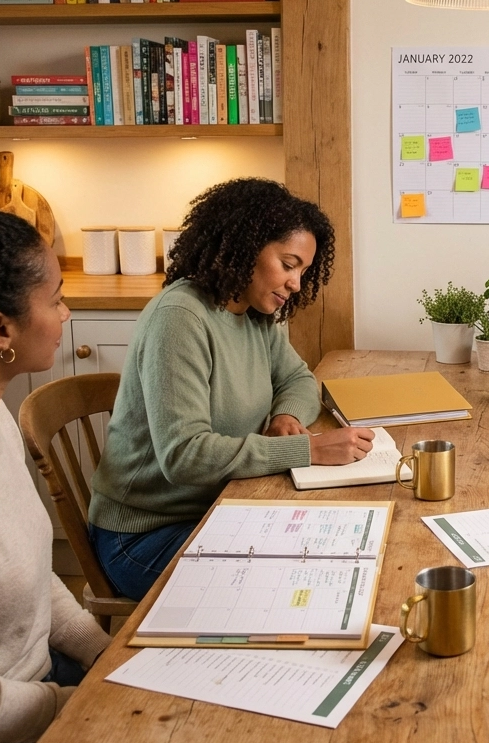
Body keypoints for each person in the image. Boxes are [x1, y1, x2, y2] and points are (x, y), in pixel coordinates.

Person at [89, 179, 375, 601]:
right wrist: (308, 450)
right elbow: (185, 457)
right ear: (244, 245)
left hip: (217, 507)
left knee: (333, 551)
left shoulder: (253, 313)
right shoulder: (180, 318)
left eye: (303, 271)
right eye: (288, 263)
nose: (296, 283)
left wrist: (286, 418)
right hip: (143, 535)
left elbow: (299, 381)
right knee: (293, 583)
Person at [0, 207, 113, 743]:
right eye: (55, 299)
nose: (65, 314)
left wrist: (98, 648)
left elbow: (35, 573)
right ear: (0, 330)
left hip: (47, 681)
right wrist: (81, 704)